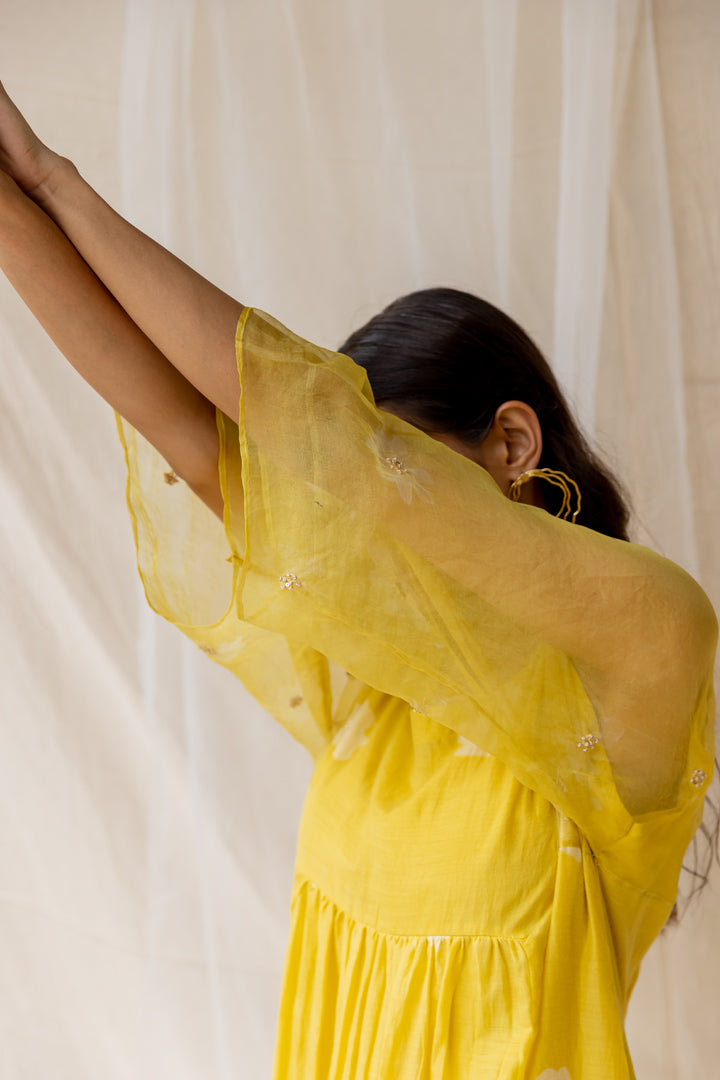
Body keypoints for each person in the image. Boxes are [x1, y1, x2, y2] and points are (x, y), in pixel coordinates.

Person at [0, 80, 717, 1079]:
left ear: (511, 444)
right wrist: (15, 193)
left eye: (391, 481)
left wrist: (59, 185)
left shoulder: (648, 640)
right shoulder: (379, 686)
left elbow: (316, 440)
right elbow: (191, 433)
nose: (356, 527)